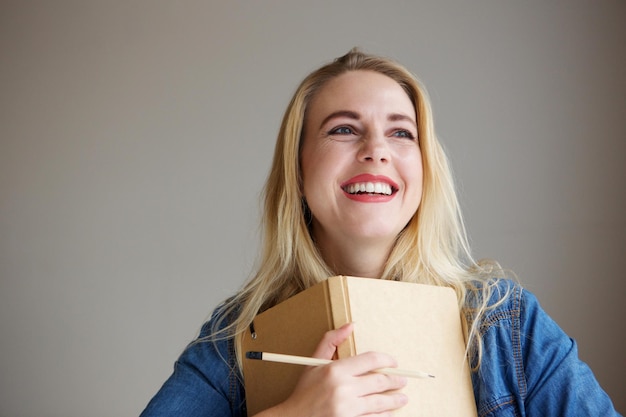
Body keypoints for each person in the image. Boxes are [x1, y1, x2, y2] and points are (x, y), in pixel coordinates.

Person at [140, 49, 620, 416]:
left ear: (425, 169)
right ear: (299, 169)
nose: (376, 149)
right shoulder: (236, 337)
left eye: (401, 133)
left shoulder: (505, 323)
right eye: (344, 130)